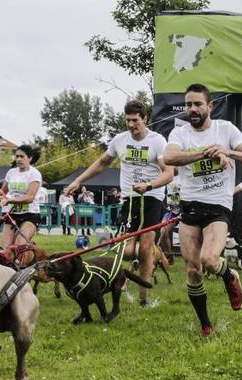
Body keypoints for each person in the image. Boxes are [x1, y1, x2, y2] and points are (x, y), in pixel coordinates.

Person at [163, 83, 242, 337]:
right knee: (193, 270)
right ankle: (205, 325)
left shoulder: (225, 129)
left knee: (209, 260)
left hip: (218, 205)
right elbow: (170, 158)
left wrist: (226, 150)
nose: (192, 109)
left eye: (197, 104)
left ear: (210, 106)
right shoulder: (181, 133)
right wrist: (202, 155)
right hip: (189, 205)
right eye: (188, 104)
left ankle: (230, 275)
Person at [64, 99, 173, 306]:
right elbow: (102, 162)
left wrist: (149, 185)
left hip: (151, 198)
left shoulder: (158, 141)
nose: (131, 125)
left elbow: (169, 173)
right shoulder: (120, 140)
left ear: (145, 119)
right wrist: (78, 181)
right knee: (127, 251)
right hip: (129, 200)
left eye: (135, 120)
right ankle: (134, 271)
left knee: (144, 250)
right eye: (128, 120)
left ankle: (143, 297)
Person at [0, 144, 42, 249]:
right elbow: (4, 191)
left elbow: (30, 197)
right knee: (4, 250)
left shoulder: (34, 174)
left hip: (29, 215)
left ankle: (29, 254)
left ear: (30, 158)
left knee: (18, 247)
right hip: (12, 214)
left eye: (22, 156)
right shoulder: (11, 172)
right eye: (17, 156)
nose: (18, 159)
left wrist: (9, 200)